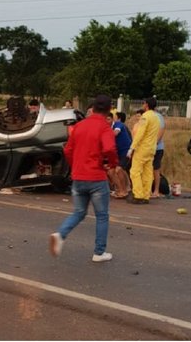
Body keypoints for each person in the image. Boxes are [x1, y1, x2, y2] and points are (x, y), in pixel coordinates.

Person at [49, 94, 118, 263]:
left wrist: (75, 166)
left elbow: (67, 150)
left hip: (78, 177)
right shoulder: (104, 127)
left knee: (79, 212)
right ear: (109, 110)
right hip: (96, 177)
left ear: (92, 108)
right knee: (102, 216)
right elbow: (109, 148)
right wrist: (112, 163)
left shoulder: (79, 126)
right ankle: (99, 252)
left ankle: (60, 235)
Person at [127, 97, 160, 204]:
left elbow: (140, 133)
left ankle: (138, 195)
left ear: (146, 105)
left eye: (143, 103)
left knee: (135, 171)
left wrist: (132, 147)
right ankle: (146, 195)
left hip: (142, 148)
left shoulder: (145, 117)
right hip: (151, 148)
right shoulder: (156, 117)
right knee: (147, 172)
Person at [108, 111, 132, 199]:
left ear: (112, 119)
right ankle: (120, 189)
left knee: (119, 169)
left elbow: (116, 133)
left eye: (109, 119)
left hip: (126, 151)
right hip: (117, 153)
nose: (107, 121)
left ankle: (124, 191)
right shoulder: (106, 128)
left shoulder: (118, 124)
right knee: (110, 172)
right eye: (105, 119)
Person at [151, 108, 166, 199]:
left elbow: (161, 130)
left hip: (157, 148)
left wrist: (155, 143)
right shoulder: (146, 116)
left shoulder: (158, 116)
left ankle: (156, 190)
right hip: (147, 148)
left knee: (156, 169)